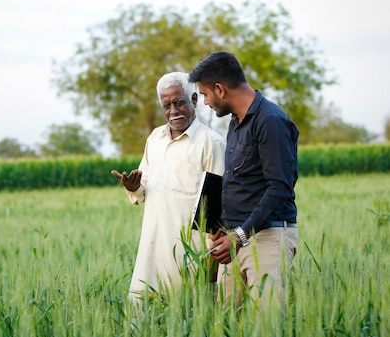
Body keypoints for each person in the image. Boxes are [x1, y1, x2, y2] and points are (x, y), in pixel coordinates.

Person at [188, 51, 298, 309]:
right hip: (237, 240)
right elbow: (243, 182)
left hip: (268, 239)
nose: (204, 102)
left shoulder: (271, 120)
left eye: (204, 94)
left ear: (220, 89)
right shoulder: (236, 122)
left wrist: (238, 236)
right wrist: (225, 226)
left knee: (265, 325)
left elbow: (279, 188)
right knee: (229, 325)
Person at [111, 72, 226, 305]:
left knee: (190, 320)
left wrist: (211, 269)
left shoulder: (212, 143)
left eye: (179, 102)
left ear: (194, 100)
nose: (173, 111)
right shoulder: (155, 138)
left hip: (191, 259)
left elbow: (219, 212)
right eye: (166, 105)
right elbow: (142, 190)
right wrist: (133, 188)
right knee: (146, 318)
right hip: (151, 253)